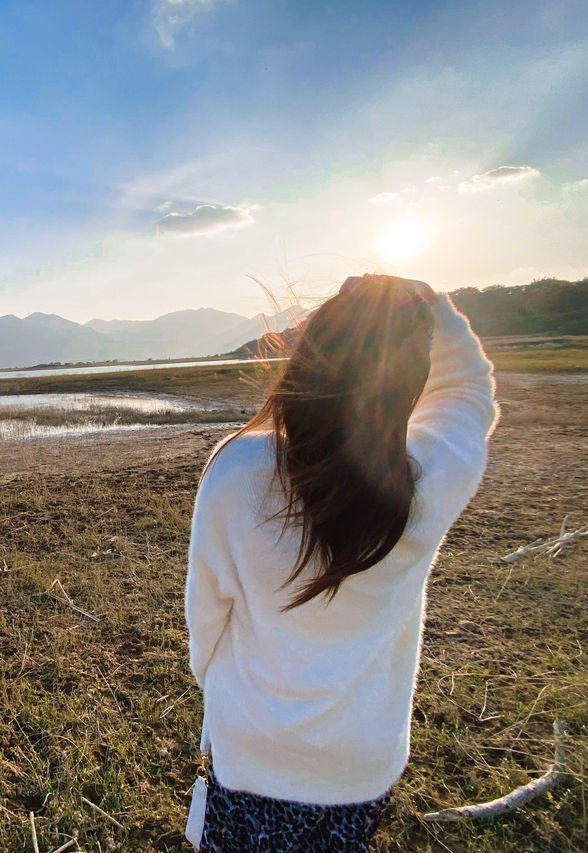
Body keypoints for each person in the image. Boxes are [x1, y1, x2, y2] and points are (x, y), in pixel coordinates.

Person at [185, 274, 499, 852]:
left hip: (253, 750)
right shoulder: (424, 479)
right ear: (408, 380)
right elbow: (470, 394)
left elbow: (205, 626)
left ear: (303, 364)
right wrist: (429, 304)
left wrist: (219, 698)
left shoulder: (236, 472)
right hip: (362, 762)